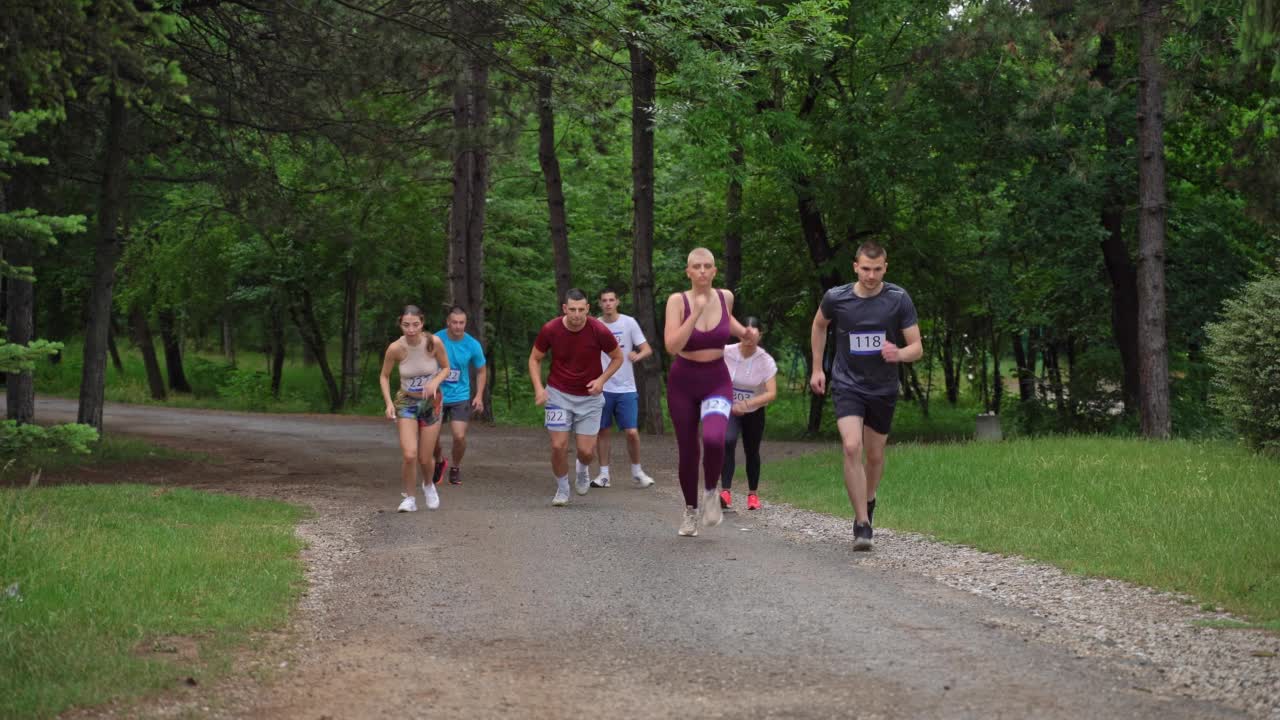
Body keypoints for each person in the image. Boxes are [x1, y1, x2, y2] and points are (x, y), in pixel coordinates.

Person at [809, 242, 922, 551]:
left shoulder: (898, 299)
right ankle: (862, 524)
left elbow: (917, 347)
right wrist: (818, 368)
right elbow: (819, 326)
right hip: (847, 383)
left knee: (874, 455)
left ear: (885, 268)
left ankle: (869, 499)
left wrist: (897, 352)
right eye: (865, 269)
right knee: (851, 446)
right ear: (855, 267)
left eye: (877, 269)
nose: (871, 275)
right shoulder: (836, 297)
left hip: (882, 387)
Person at [663, 247, 751, 537]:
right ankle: (690, 511)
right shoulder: (677, 301)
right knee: (688, 449)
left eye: (707, 266)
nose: (702, 271)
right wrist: (696, 312)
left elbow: (732, 325)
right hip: (683, 382)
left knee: (716, 439)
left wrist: (747, 334)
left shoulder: (725, 297)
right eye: (696, 266)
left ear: (715, 271)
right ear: (688, 272)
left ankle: (711, 491)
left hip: (716, 379)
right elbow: (672, 346)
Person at [529, 288, 624, 506]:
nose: (577, 314)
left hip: (589, 398)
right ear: (564, 308)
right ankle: (562, 488)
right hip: (558, 394)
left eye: (581, 310)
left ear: (588, 309)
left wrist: (602, 380)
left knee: (586, 451)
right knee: (558, 446)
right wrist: (538, 388)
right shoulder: (551, 329)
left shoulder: (598, 330)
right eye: (572, 309)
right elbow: (535, 358)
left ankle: (582, 469)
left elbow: (618, 357)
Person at [379, 305, 451, 513]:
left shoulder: (433, 343)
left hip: (431, 402)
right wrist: (388, 403)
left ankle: (428, 485)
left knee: (424, 457)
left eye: (415, 325)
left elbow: (446, 368)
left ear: (422, 323)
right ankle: (409, 498)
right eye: (406, 325)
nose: (411, 330)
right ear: (400, 324)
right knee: (409, 455)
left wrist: (435, 382)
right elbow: (384, 376)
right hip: (407, 402)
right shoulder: (395, 348)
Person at [585, 288, 656, 489]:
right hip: (603, 386)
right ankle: (604, 475)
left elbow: (647, 349)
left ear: (617, 302)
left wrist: (637, 355)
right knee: (603, 431)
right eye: (604, 300)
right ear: (599, 304)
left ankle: (637, 471)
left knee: (632, 432)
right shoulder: (595, 325)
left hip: (626, 387)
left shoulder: (628, 323)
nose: (608, 303)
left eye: (611, 300)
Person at [718, 317, 778, 512]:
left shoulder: (765, 360)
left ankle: (753, 494)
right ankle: (725, 492)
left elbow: (771, 393)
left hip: (754, 411)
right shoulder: (726, 352)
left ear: (760, 336)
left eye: (753, 333)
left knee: (751, 451)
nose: (749, 336)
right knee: (728, 441)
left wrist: (748, 403)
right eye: (745, 332)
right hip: (730, 408)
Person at [431, 306, 488, 486]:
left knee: (459, 436)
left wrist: (478, 395)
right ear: (448, 322)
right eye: (454, 322)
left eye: (461, 323)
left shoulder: (472, 345)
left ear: (465, 323)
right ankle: (440, 461)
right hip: (437, 395)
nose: (457, 326)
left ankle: (455, 467)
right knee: (431, 437)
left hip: (460, 395)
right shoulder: (436, 339)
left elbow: (481, 371)